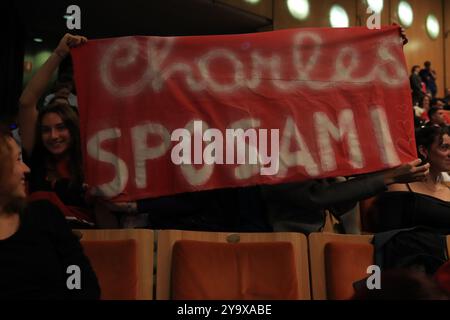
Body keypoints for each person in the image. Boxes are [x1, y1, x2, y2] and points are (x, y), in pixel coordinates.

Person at [0, 125, 100, 299]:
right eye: (17, 160)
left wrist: (75, 294)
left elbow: (76, 273)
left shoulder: (45, 215)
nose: (26, 169)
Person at [18, 34, 93, 228]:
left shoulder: (90, 162)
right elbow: (27, 102)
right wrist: (59, 53)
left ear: (74, 130)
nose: (53, 136)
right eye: (45, 130)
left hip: (83, 242)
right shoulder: (36, 157)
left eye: (61, 128)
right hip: (37, 245)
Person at [372, 125, 450, 233]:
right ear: (423, 150)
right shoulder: (398, 186)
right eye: (444, 147)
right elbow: (388, 234)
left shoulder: (447, 189)